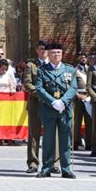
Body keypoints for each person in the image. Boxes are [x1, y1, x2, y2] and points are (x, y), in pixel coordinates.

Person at [36, 43, 77, 179]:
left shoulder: (69, 70)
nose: (56, 55)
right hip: (49, 109)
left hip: (64, 109)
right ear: (48, 54)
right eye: (53, 53)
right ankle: (46, 168)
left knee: (66, 140)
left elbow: (73, 88)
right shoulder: (42, 70)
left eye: (59, 52)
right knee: (48, 139)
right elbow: (39, 88)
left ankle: (66, 168)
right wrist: (53, 102)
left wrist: (63, 102)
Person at [23, 40, 49, 173]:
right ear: (37, 50)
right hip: (35, 103)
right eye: (41, 48)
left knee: (51, 134)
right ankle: (33, 163)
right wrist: (41, 95)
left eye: (45, 48)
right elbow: (27, 83)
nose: (43, 51)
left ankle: (53, 163)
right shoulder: (31, 65)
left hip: (50, 105)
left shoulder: (53, 65)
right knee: (34, 134)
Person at [73, 51, 92, 151]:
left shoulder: (90, 69)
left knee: (89, 121)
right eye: (81, 57)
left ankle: (89, 143)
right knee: (77, 121)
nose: (83, 59)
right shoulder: (74, 70)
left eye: (85, 57)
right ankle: (76, 142)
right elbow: (71, 85)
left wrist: (89, 95)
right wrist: (78, 95)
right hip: (78, 98)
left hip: (89, 97)